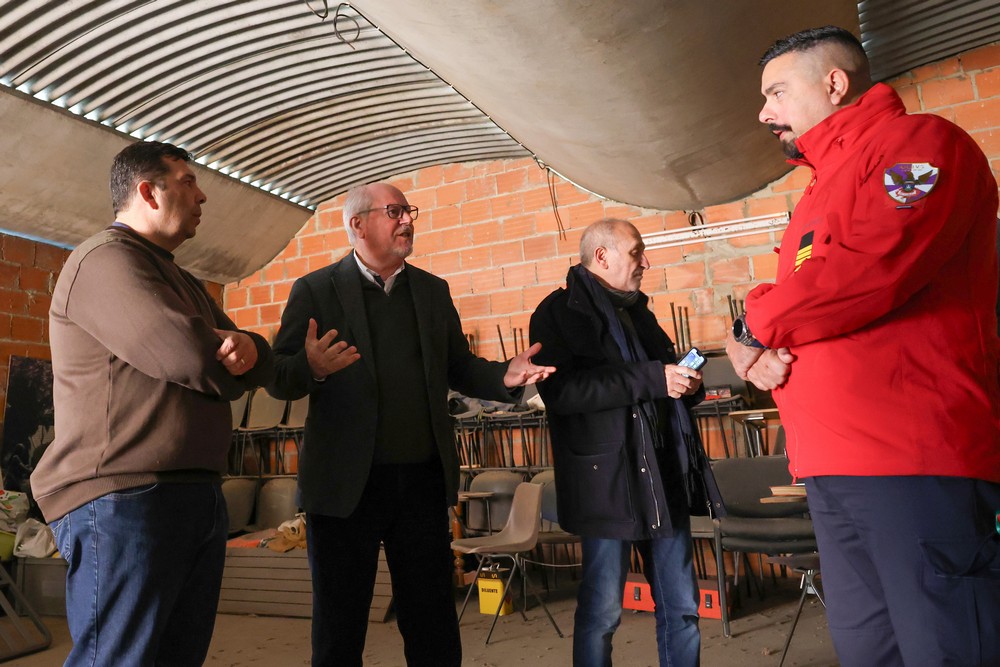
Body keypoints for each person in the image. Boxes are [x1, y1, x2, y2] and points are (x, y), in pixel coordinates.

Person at [727, 25, 1000, 666]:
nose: (764, 113)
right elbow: (809, 303)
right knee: (868, 649)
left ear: (834, 82)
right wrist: (755, 344)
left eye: (776, 92)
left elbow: (865, 272)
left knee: (945, 645)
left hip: (909, 457)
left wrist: (756, 320)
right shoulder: (817, 193)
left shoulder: (923, 145)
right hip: (829, 461)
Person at [267, 182, 555, 667]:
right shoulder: (315, 290)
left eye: (409, 212)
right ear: (357, 225)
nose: (407, 221)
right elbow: (280, 378)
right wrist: (311, 367)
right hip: (343, 489)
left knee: (432, 622)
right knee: (339, 628)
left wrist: (505, 374)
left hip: (420, 482)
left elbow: (459, 366)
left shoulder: (430, 291)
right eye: (394, 212)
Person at [31, 141, 275, 666]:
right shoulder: (103, 259)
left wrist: (249, 352)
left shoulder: (181, 279)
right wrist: (234, 358)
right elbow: (188, 354)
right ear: (147, 190)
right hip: (124, 499)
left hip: (189, 494)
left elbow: (253, 363)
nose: (202, 195)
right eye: (188, 181)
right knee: (120, 660)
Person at [529, 218, 710, 667]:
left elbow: (664, 371)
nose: (645, 262)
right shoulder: (557, 313)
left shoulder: (637, 311)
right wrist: (652, 378)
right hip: (606, 484)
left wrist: (687, 384)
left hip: (660, 475)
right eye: (636, 252)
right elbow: (562, 392)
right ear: (603, 256)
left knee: (682, 607)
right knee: (602, 610)